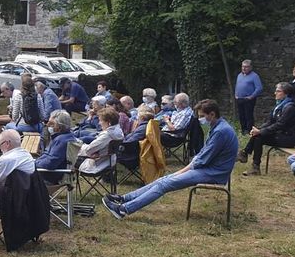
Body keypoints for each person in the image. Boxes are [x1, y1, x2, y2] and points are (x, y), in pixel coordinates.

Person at [103, 99, 237, 219]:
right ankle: (125, 198)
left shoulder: (221, 131)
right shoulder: (219, 126)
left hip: (214, 172)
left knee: (164, 184)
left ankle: (124, 210)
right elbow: (204, 154)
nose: (200, 119)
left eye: (202, 116)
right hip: (209, 168)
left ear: (212, 114)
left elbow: (203, 159)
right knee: (162, 180)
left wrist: (182, 171)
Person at [240, 82, 295, 176]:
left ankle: (247, 156)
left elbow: (280, 125)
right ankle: (250, 161)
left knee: (259, 136)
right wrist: (258, 129)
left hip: (288, 138)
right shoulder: (279, 105)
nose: (275, 93)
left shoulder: (290, 107)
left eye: (278, 91)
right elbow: (270, 122)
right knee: (258, 136)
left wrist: (260, 132)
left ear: (286, 93)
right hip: (279, 135)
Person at [77, 107, 124, 177]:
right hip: (110, 161)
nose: (99, 123)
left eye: (101, 121)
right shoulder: (118, 130)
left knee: (71, 152)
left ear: (109, 122)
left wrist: (81, 146)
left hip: (97, 164)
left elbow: (89, 150)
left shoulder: (107, 135)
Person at [35, 110, 77, 184]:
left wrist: (33, 164)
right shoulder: (67, 136)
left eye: (51, 124)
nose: (47, 125)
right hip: (48, 171)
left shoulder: (61, 140)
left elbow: (50, 163)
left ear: (60, 126)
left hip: (49, 175)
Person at [235, 59, 263, 135]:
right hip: (239, 98)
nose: (244, 68)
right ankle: (243, 129)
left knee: (248, 115)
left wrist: (251, 96)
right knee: (241, 115)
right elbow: (237, 85)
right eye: (243, 66)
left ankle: (249, 130)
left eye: (246, 67)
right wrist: (236, 94)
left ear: (251, 67)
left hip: (248, 99)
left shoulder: (254, 76)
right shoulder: (239, 75)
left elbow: (259, 88)